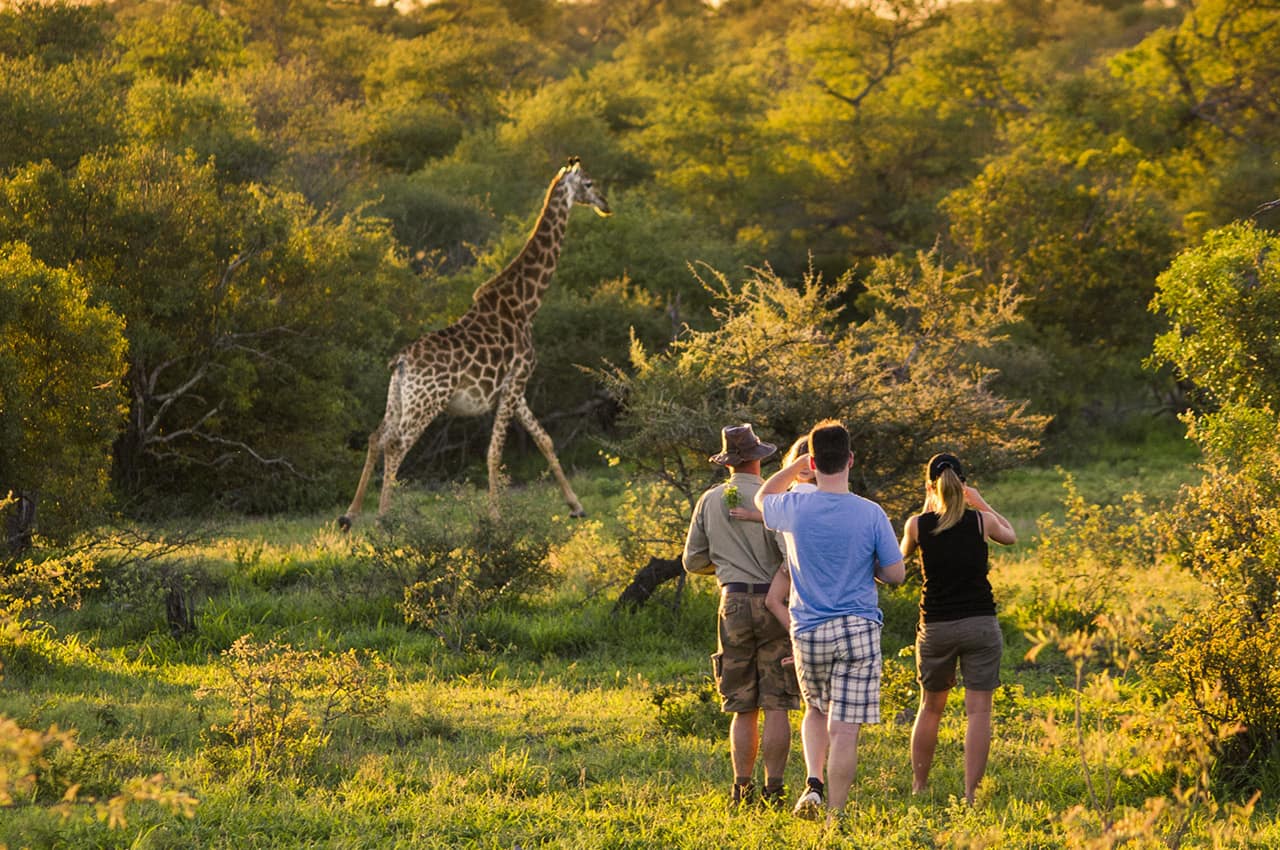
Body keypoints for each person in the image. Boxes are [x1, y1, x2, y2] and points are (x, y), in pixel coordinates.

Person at [755, 420, 905, 825]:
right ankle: (835, 815)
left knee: (816, 711)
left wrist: (792, 468)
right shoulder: (871, 513)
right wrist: (869, 565)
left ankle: (813, 783)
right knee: (845, 729)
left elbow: (762, 498)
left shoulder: (794, 507)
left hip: (808, 630)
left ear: (815, 461)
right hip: (858, 627)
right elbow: (895, 575)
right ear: (851, 459)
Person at [683, 424, 800, 809]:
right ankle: (776, 789)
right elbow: (791, 556)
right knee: (777, 700)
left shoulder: (709, 499)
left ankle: (741, 789)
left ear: (728, 462)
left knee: (741, 702)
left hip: (731, 602)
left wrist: (726, 568)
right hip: (773, 601)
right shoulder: (775, 497)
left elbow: (692, 560)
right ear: (758, 458)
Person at [898, 453, 1016, 805]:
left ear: (930, 485)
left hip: (936, 626)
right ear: (963, 484)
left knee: (930, 708)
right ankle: (971, 794)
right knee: (978, 711)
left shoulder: (917, 525)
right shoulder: (981, 521)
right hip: (980, 624)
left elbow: (895, 564)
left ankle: (920, 786)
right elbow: (1009, 535)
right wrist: (980, 502)